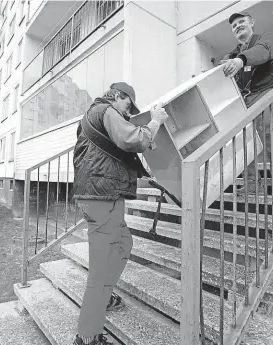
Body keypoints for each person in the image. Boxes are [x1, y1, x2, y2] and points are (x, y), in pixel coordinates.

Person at [72, 82, 169, 345]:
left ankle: (103, 296)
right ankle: (88, 335)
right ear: (117, 96)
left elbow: (114, 150)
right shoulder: (106, 110)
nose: (129, 111)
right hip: (103, 197)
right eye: (128, 104)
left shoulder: (93, 116)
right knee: (101, 268)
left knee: (124, 243)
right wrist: (155, 122)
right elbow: (133, 140)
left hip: (98, 194)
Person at [220, 11, 273, 194]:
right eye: (234, 25)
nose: (238, 26)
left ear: (252, 23)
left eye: (241, 22)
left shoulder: (266, 38)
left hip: (268, 91)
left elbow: (263, 52)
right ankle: (252, 183)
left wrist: (240, 61)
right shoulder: (232, 53)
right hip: (244, 100)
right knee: (243, 140)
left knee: (270, 131)